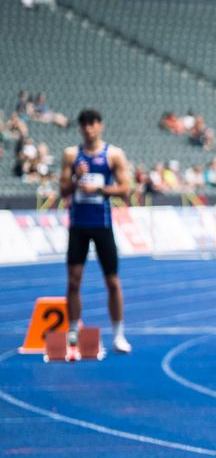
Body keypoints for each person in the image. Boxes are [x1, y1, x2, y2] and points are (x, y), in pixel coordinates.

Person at [59, 109, 133, 354]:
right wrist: (76, 178)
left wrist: (99, 189)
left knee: (112, 281)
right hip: (78, 225)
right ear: (80, 128)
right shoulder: (71, 155)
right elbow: (62, 190)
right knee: (73, 281)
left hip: (102, 225)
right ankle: (72, 336)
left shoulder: (113, 154)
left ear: (100, 126)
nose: (88, 128)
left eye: (93, 124)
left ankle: (118, 335)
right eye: (84, 124)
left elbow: (125, 188)